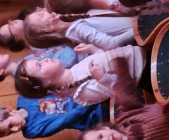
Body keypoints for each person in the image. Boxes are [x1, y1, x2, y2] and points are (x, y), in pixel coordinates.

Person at [14, 44, 147, 105]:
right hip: (146, 72)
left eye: (40, 60)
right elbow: (120, 91)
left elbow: (105, 59)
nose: (45, 60)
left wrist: (93, 50)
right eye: (40, 65)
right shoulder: (82, 92)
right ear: (45, 83)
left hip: (142, 54)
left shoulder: (74, 70)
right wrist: (103, 77)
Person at [1, 5, 137, 51]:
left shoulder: (71, 23)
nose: (45, 10)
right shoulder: (77, 30)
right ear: (46, 29)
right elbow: (110, 44)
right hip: (137, 25)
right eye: (41, 15)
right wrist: (137, 28)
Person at [0, 94, 107, 139]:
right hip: (92, 117)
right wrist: (89, 101)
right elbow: (64, 120)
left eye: (11, 125)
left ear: (10, 111)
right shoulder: (31, 131)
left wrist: (89, 94)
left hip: (87, 96)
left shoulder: (25, 97)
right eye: (10, 132)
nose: (15, 129)